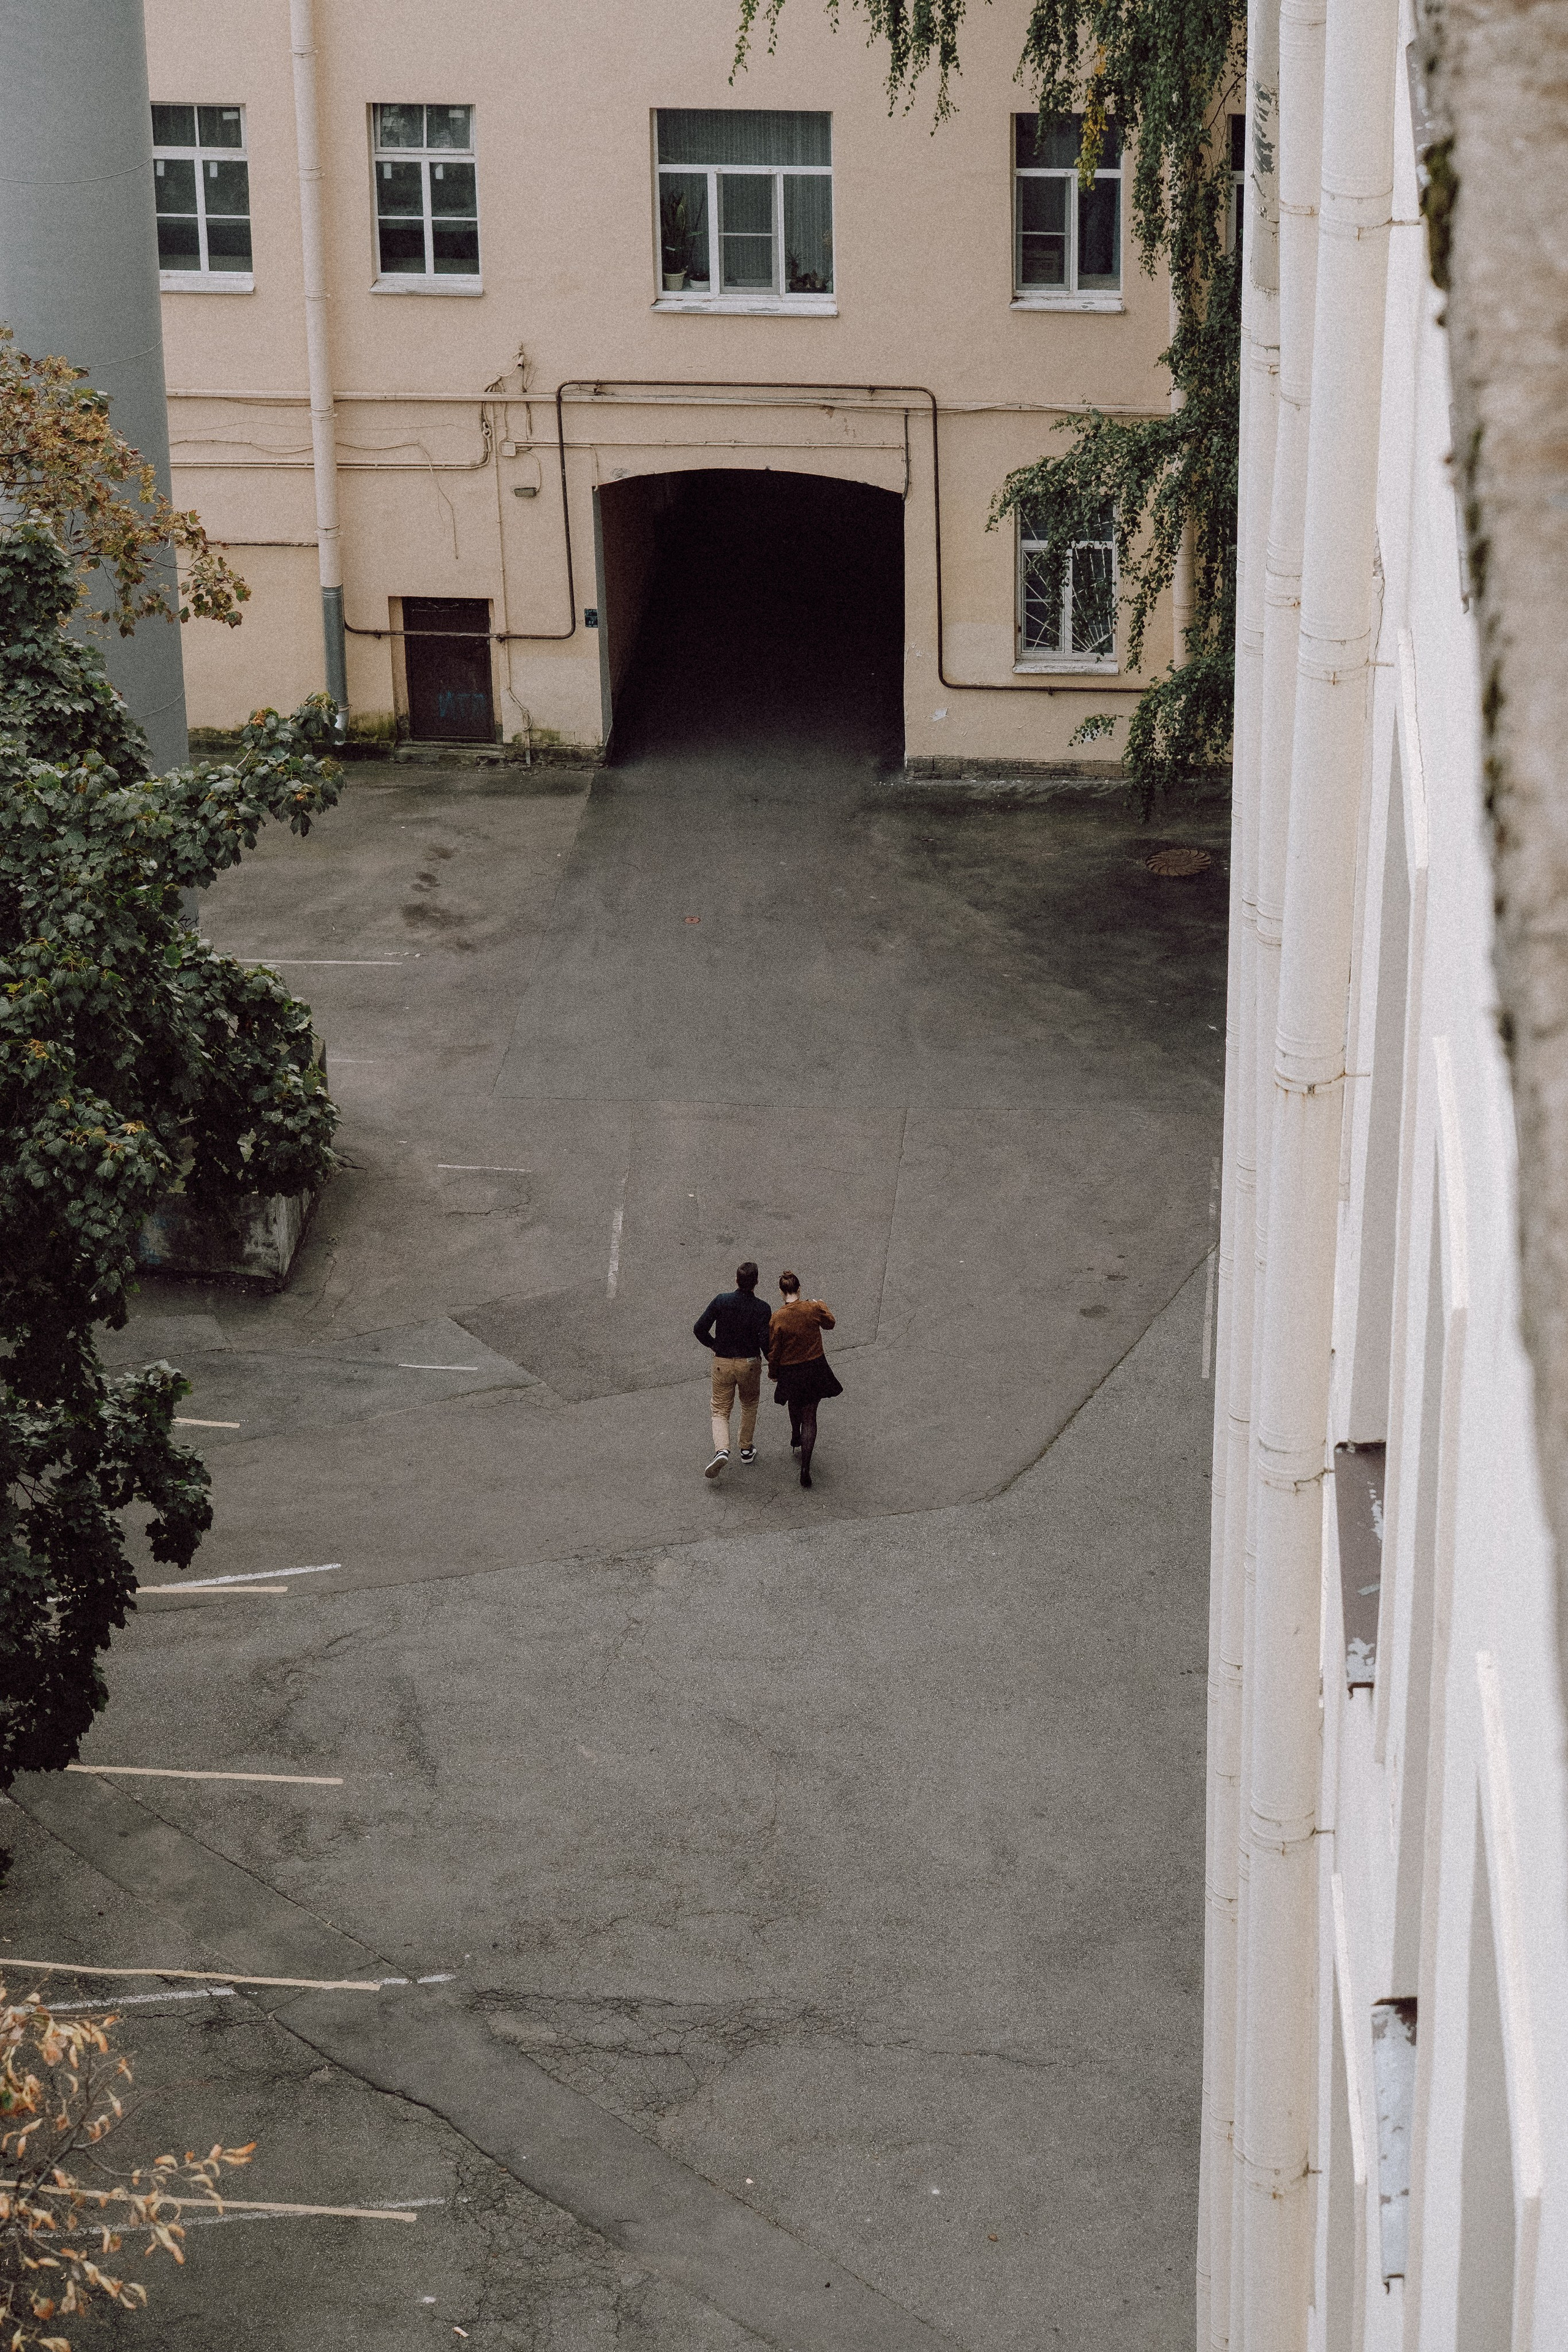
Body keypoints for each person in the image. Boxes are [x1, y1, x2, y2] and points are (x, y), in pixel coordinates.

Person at [693, 1261, 774, 1479]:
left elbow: (699, 1328)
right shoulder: (763, 1308)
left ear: (736, 1280)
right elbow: (765, 1342)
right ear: (756, 1282)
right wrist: (774, 1365)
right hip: (749, 1363)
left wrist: (714, 1344)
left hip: (723, 1362)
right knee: (749, 1404)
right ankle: (746, 1449)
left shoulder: (722, 1301)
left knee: (720, 1409)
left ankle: (722, 1450)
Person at [767, 1272, 842, 1489]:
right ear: (799, 1290)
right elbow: (830, 1323)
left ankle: (794, 1434)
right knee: (810, 1416)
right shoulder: (811, 1308)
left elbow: (775, 1350)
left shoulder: (777, 1318)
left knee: (794, 1403)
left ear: (782, 1293)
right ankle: (805, 1468)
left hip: (791, 1371)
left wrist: (773, 1373)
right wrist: (822, 1304)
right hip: (814, 1367)